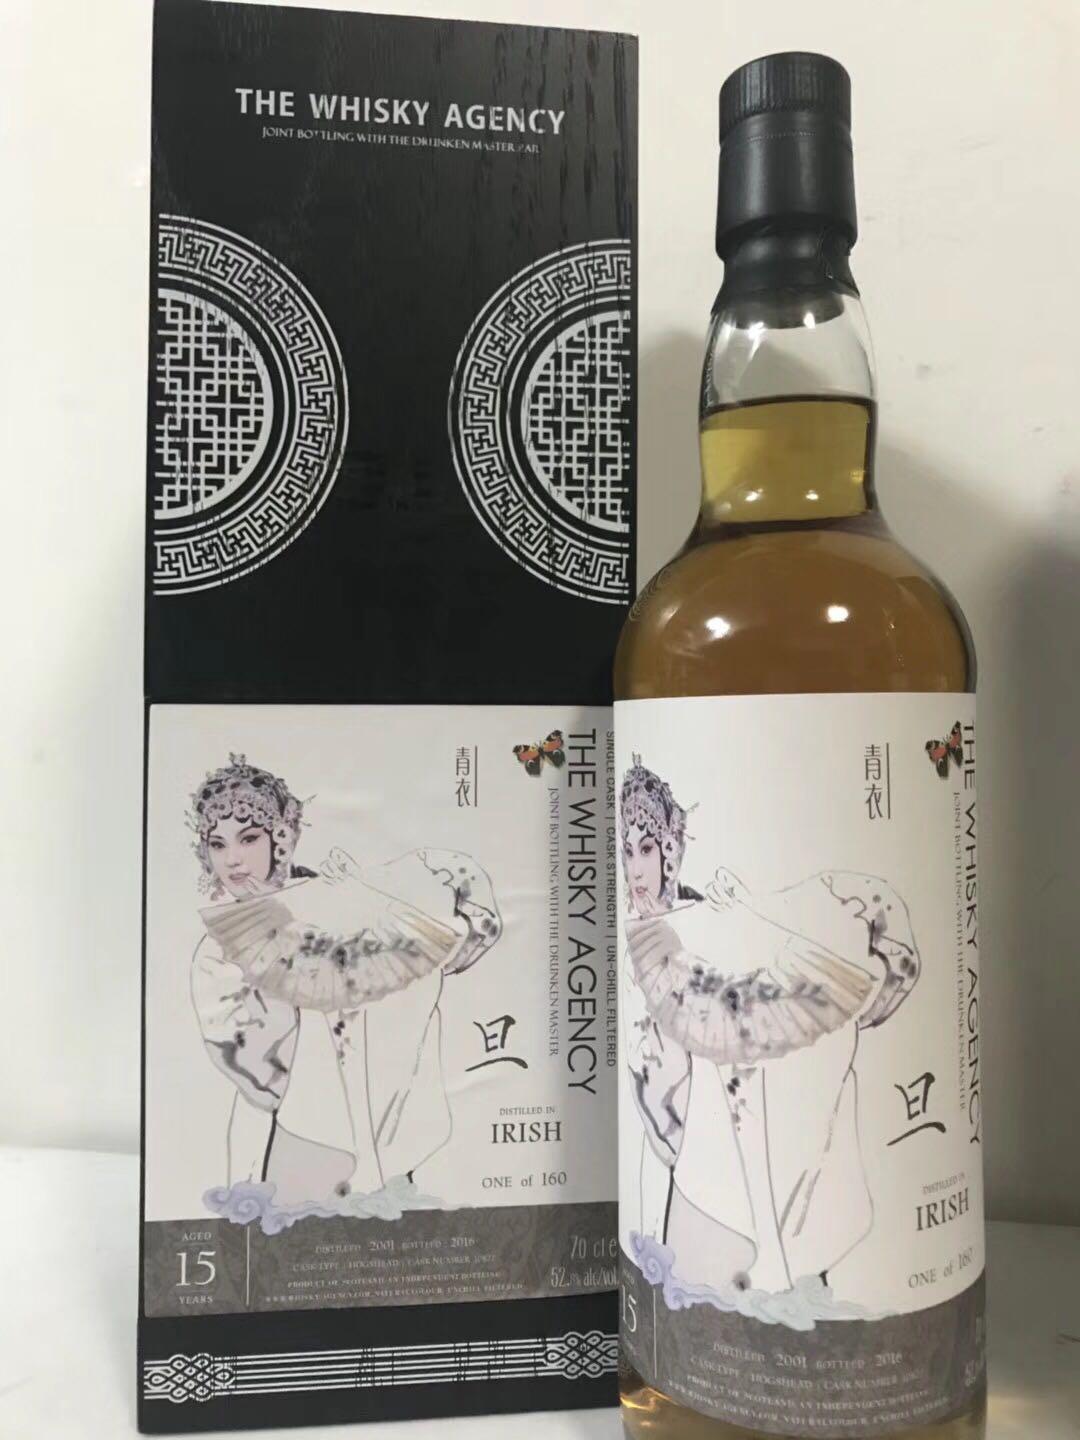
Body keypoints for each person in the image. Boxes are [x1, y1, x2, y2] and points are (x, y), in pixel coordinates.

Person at [620, 757, 920, 1306]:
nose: (636, 868)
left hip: (725, 1133)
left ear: (669, 853)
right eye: (627, 850)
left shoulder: (701, 923)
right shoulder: (646, 942)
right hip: (687, 1147)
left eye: (646, 849)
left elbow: (738, 998)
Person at [188, 755, 502, 1225]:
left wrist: (364, 902)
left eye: (248, 838)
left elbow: (427, 959)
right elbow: (253, 1068)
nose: (232, 858)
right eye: (218, 844)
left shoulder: (333, 900)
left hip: (364, 1128)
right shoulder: (223, 945)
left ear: (281, 837)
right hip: (296, 1129)